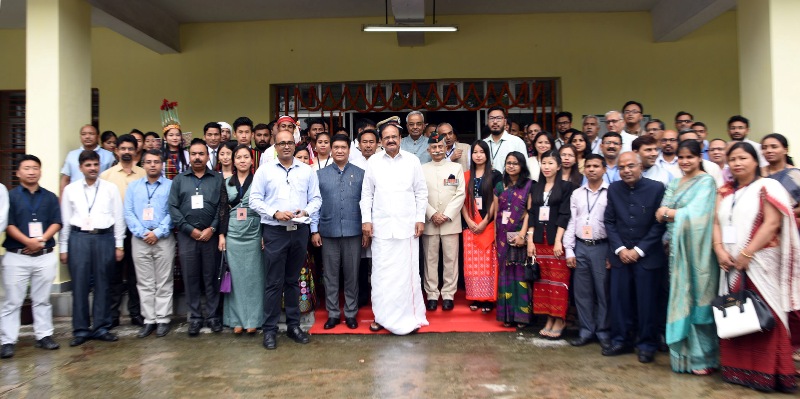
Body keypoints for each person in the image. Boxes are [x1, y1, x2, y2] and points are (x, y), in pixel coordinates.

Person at [713, 142, 800, 393]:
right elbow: (716, 224)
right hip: (729, 263)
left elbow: (772, 223)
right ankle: (738, 372)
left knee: (764, 316)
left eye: (743, 158)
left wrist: (747, 253)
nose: (737, 163)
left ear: (755, 161)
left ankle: (769, 374)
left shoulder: (768, 186)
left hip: (759, 261)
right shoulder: (725, 191)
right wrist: (719, 249)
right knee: (736, 316)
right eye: (733, 159)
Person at [249, 129, 321, 350]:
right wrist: (274, 213)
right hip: (275, 231)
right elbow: (254, 200)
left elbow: (316, 199)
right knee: (273, 282)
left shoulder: (307, 171)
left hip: (299, 231)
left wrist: (306, 211)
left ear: (296, 144)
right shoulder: (264, 171)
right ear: (275, 146)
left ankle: (293, 326)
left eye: (290, 142)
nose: (287, 146)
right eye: (282, 143)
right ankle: (269, 330)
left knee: (292, 281)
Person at [655, 140, 720, 374]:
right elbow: (659, 213)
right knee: (680, 297)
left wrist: (671, 213)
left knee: (698, 298)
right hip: (675, 251)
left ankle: (704, 359)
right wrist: (670, 213)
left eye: (689, 157)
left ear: (699, 157)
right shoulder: (674, 183)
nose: (684, 162)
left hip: (699, 253)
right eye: (681, 157)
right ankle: (685, 355)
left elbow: (700, 215)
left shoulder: (706, 182)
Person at [360, 119, 429, 335]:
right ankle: (381, 317)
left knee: (406, 275)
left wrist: (420, 218)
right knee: (381, 276)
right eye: (386, 137)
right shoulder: (373, 162)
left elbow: (421, 192)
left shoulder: (412, 161)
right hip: (381, 229)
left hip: (407, 228)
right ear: (381, 141)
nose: (390, 140)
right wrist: (366, 220)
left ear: (400, 139)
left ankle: (409, 317)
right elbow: (367, 194)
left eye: (394, 136)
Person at [603, 152, 667, 363]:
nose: (626, 170)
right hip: (620, 256)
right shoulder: (614, 188)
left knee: (647, 303)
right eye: (622, 167)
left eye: (631, 166)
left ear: (640, 167)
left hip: (647, 257)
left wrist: (639, 250)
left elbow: (659, 224)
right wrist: (620, 249)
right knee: (620, 301)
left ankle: (647, 344)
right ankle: (621, 340)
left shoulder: (656, 188)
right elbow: (610, 222)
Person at [60, 150, 126, 346]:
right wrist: (63, 247)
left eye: (95, 165)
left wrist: (119, 244)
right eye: (88, 165)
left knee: (103, 284)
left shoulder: (110, 188)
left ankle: (101, 327)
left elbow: (118, 217)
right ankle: (80, 330)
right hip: (78, 238)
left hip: (104, 237)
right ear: (80, 168)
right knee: (79, 285)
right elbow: (64, 220)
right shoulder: (71, 190)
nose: (92, 168)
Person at [0, 156, 60, 358]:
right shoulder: (10, 196)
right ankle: (7, 340)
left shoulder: (50, 197)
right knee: (12, 300)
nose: (31, 172)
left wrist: (40, 241)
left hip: (44, 255)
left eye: (35, 168)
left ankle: (44, 335)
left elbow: (56, 222)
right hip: (17, 256)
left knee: (42, 299)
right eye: (26, 168)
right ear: (18, 173)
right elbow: (7, 224)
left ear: (41, 172)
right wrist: (28, 241)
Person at [168, 138, 224, 336]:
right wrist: (188, 229)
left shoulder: (217, 178)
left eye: (201, 154)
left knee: (211, 278)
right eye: (194, 154)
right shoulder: (179, 180)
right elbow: (173, 208)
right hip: (187, 237)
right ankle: (195, 318)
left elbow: (221, 206)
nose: (198, 157)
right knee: (190, 279)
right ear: (189, 156)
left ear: (208, 156)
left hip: (210, 236)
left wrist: (213, 228)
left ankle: (213, 316)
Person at [313, 134, 365, 330]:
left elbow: (366, 203)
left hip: (353, 231)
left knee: (352, 275)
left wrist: (366, 230)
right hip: (328, 231)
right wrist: (314, 230)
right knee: (330, 276)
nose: (340, 150)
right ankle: (333, 313)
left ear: (349, 150)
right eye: (336, 147)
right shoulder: (320, 174)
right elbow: (315, 205)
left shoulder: (360, 173)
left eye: (343, 147)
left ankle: (351, 313)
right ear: (331, 150)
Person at [124, 149, 175, 338]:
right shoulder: (133, 187)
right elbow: (128, 212)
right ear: (142, 164)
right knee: (144, 282)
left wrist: (158, 232)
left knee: (163, 281)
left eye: (156, 161)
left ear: (162, 164)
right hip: (140, 239)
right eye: (149, 162)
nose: (153, 165)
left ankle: (162, 319)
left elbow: (173, 212)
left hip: (163, 238)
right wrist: (143, 232)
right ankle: (149, 320)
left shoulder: (171, 186)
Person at [564, 154, 611, 349]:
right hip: (581, 246)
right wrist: (569, 250)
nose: (591, 169)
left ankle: (603, 332)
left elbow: (613, 224)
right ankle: (586, 331)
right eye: (588, 166)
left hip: (602, 247)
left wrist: (612, 253)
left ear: (604, 169)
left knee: (603, 293)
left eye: (596, 166)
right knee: (582, 293)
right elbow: (572, 221)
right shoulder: (577, 193)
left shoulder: (611, 193)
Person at [100, 134, 146, 328]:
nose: (126, 152)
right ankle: (112, 315)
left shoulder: (143, 174)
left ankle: (137, 313)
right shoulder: (106, 176)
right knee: (115, 275)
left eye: (130, 149)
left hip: (138, 230)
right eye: (123, 149)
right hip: (113, 232)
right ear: (116, 150)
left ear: (136, 151)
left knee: (137, 275)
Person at [527, 150, 574, 337]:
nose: (546, 167)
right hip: (539, 240)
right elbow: (531, 214)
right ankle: (549, 317)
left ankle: (560, 319)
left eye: (551, 163)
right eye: (544, 163)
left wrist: (558, 241)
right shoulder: (536, 187)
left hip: (556, 240)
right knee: (543, 281)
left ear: (559, 166)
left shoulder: (566, 187)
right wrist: (530, 240)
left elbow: (565, 214)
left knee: (558, 282)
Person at [218, 145, 264, 335]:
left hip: (254, 232)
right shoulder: (227, 182)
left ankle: (253, 319)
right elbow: (221, 209)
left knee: (255, 278)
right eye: (239, 157)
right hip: (233, 233)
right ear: (233, 160)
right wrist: (221, 235)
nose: (243, 160)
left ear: (252, 161)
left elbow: (264, 209)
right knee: (235, 277)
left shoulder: (259, 181)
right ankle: (236, 320)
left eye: (246, 157)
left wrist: (264, 235)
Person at [421, 132, 465, 311]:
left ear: (446, 147)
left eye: (440, 146)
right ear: (428, 149)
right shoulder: (422, 169)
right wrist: (431, 214)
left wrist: (446, 214)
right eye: (434, 147)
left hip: (450, 221)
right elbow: (418, 194)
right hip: (430, 221)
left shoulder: (456, 168)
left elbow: (460, 193)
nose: (437, 150)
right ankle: (432, 294)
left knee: (450, 259)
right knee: (430, 260)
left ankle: (448, 294)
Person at [462, 141, 502, 313]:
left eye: (482, 152)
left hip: (487, 224)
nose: (478, 155)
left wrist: (485, 221)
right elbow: (461, 201)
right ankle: (475, 297)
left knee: (487, 264)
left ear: (487, 154)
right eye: (475, 152)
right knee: (471, 265)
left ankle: (487, 299)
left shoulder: (495, 175)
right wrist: (469, 221)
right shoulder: (465, 175)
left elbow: (496, 199)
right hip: (469, 225)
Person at [494, 151, 533, 327]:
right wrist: (496, 236)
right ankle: (507, 316)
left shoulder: (529, 186)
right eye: (508, 163)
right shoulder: (500, 186)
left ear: (522, 166)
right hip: (502, 235)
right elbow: (496, 213)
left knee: (520, 275)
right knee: (505, 274)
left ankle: (521, 316)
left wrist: (523, 235)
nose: (511, 166)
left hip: (519, 234)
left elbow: (530, 213)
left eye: (515, 163)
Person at [291, 147, 318, 314]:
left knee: (304, 268)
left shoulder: (310, 176)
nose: (302, 160)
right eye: (298, 157)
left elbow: (315, 203)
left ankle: (305, 304)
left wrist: (314, 230)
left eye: (305, 157)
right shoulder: (287, 176)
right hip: (285, 228)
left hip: (306, 229)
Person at [60, 124, 115, 193]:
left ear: (98, 137)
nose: (87, 137)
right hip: (75, 196)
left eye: (91, 134)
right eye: (84, 134)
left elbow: (113, 179)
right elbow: (65, 180)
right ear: (80, 137)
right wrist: (61, 200)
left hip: (100, 196)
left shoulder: (109, 156)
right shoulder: (71, 155)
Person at [761, 134, 800, 225]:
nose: (769, 150)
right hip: (760, 226)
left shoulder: (795, 174)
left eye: (774, 147)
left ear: (785, 150)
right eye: (764, 148)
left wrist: (784, 215)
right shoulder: (757, 174)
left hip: (789, 225)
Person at [484, 106, 527, 173]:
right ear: (488, 121)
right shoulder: (484, 143)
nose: (495, 122)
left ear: (505, 121)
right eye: (491, 118)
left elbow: (524, 167)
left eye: (499, 118)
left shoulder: (517, 142)